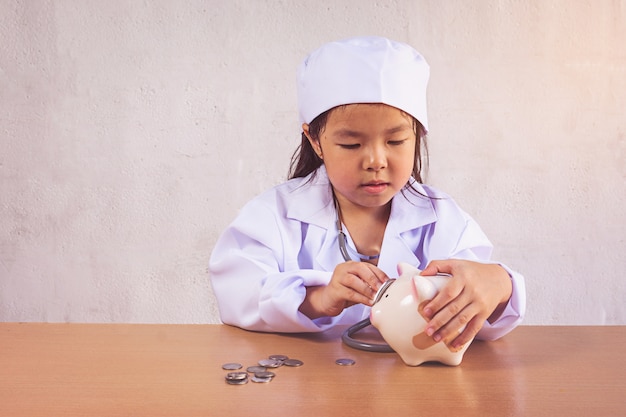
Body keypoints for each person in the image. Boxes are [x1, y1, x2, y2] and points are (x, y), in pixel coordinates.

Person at [209, 36, 525, 349]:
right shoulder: (272, 215)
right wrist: (320, 298)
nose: (376, 161)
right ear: (315, 141)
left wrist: (500, 285)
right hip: (310, 389)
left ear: (417, 136)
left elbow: (480, 317)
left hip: (413, 394)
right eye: (351, 144)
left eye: (396, 141)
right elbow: (238, 292)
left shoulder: (442, 219)